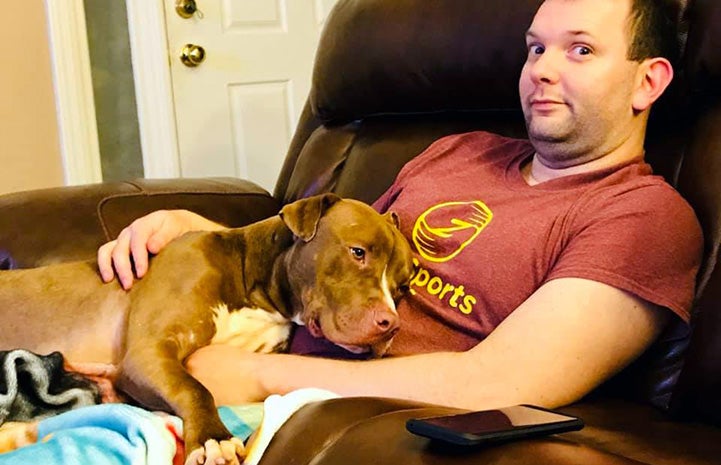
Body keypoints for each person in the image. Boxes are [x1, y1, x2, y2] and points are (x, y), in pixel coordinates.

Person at [98, 0, 702, 410]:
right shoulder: (459, 151)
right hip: (240, 354)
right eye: (534, 48)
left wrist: (261, 378)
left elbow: (499, 382)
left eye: (579, 51)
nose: (541, 70)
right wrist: (202, 235)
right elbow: (331, 250)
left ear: (648, 81)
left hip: (338, 410)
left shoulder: (645, 216)